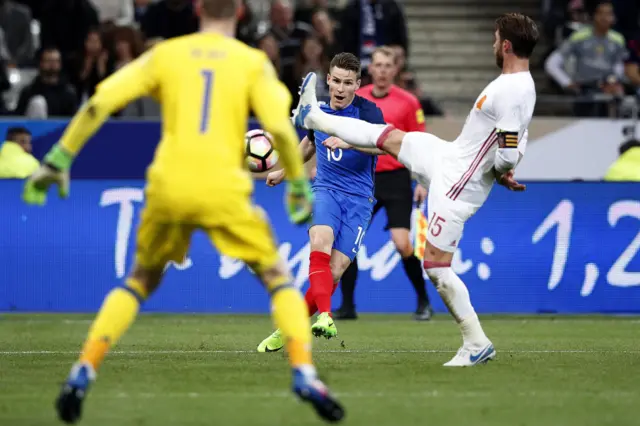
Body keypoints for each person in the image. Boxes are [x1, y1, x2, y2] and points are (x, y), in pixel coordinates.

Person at [22, 0, 344, 423]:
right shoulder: (251, 63)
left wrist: (60, 159)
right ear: (241, 13)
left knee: (139, 279)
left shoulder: (167, 55)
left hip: (168, 186)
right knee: (276, 278)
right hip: (223, 189)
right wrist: (299, 189)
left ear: (196, 9)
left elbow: (100, 101)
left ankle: (84, 368)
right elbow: (282, 130)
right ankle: (303, 371)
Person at [292, 12, 538, 367]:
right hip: (448, 156)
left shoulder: (513, 89)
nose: (492, 44)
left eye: (496, 38)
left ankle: (475, 341)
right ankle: (312, 116)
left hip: (456, 186)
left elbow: (510, 148)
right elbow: (515, 136)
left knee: (436, 267)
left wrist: (503, 169)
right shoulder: (517, 84)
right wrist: (504, 166)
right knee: (390, 137)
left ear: (507, 45)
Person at [257, 52, 385, 352]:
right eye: (336, 81)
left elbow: (385, 147)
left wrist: (349, 140)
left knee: (336, 269)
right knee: (320, 240)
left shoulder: (369, 112)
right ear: (328, 80)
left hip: (360, 199)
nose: (340, 89)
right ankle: (325, 316)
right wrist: (283, 171)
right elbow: (308, 145)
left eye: (348, 83)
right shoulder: (318, 112)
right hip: (326, 189)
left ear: (357, 85)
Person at [336, 46, 432, 321]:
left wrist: (423, 180)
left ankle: (423, 301)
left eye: (387, 66)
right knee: (348, 242)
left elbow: (419, 145)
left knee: (402, 243)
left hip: (397, 179)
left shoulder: (408, 102)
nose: (381, 70)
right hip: (363, 177)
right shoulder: (358, 97)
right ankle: (348, 306)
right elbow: (343, 132)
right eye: (377, 65)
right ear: (371, 69)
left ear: (395, 70)